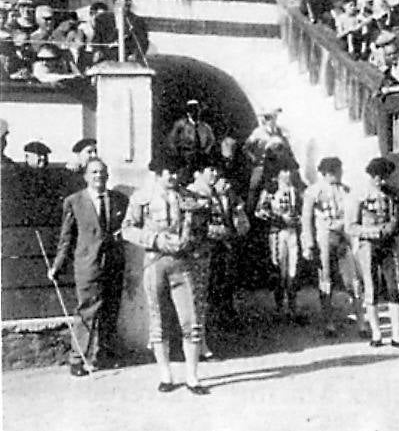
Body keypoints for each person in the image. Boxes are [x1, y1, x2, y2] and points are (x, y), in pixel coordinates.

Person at [121, 155, 211, 395]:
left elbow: (205, 226)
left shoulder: (189, 197)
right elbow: (127, 229)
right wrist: (155, 239)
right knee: (159, 321)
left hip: (184, 263)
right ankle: (166, 375)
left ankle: (192, 377)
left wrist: (193, 241)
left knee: (190, 320)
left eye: (176, 171)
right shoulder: (142, 197)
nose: (173, 176)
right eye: (167, 172)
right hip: (155, 262)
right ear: (157, 173)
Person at [48, 158, 128, 376]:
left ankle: (101, 355)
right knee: (87, 310)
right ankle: (77, 358)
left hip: (113, 263)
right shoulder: (74, 201)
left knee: (111, 309)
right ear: (85, 176)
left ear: (108, 175)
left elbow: (128, 229)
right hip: (87, 264)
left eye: (102, 172)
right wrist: (57, 266)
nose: (98, 176)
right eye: (93, 172)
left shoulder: (120, 200)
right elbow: (66, 238)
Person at [186, 153, 249, 361]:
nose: (215, 173)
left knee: (214, 295)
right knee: (198, 299)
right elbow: (198, 227)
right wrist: (223, 231)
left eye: (216, 170)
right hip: (201, 253)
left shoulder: (221, 192)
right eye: (210, 170)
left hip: (219, 252)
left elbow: (241, 225)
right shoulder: (192, 193)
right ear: (198, 172)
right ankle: (199, 345)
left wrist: (233, 204)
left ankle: (206, 340)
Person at [346, 157, 399, 349]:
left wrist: (392, 227)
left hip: (388, 244)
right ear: (371, 175)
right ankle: (376, 333)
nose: (381, 181)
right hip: (368, 245)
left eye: (384, 177)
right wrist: (371, 232)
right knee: (371, 287)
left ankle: (397, 335)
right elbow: (350, 226)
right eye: (377, 177)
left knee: (393, 287)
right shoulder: (359, 194)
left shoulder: (392, 193)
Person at [301, 157, 367, 337]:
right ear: (327, 173)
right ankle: (329, 322)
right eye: (337, 171)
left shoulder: (346, 190)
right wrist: (308, 244)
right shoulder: (313, 191)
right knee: (325, 279)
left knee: (353, 280)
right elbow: (306, 219)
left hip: (343, 237)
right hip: (324, 237)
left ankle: (361, 322)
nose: (340, 174)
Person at [255, 159, 304, 321]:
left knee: (293, 268)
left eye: (289, 171)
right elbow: (260, 211)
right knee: (279, 269)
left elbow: (302, 210)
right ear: (277, 173)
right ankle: (279, 307)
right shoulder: (271, 189)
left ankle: (293, 306)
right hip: (277, 232)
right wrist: (280, 219)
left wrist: (298, 220)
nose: (288, 174)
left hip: (292, 232)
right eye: (284, 171)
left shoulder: (295, 190)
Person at [243, 105, 298, 211]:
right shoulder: (258, 132)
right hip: (261, 165)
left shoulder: (280, 131)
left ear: (274, 118)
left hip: (276, 166)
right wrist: (253, 157)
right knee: (255, 186)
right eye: (265, 118)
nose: (266, 120)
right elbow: (246, 147)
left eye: (269, 117)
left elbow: (287, 148)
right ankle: (250, 213)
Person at [166, 99, 216, 173]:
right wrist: (177, 154)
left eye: (197, 110)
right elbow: (171, 139)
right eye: (192, 110)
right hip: (185, 157)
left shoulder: (204, 127)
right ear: (188, 112)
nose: (195, 113)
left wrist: (205, 151)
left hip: (200, 157)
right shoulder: (181, 125)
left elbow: (211, 140)